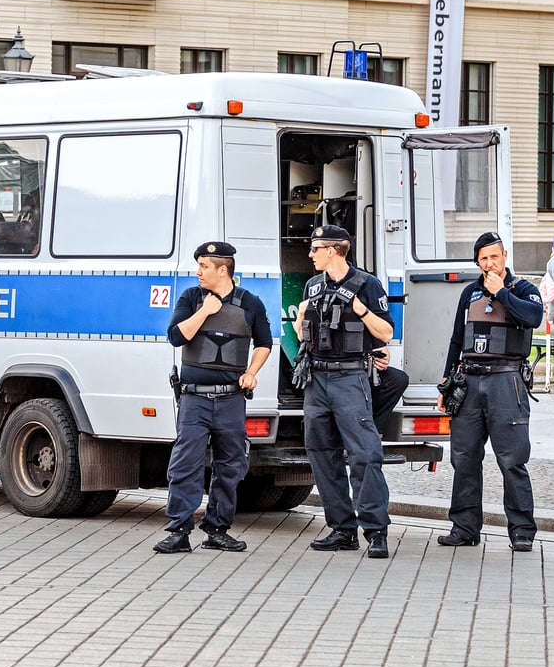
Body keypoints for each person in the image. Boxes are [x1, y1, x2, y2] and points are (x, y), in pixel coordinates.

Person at [154, 241, 273, 554]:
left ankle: (217, 529)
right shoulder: (191, 298)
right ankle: (178, 531)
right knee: (185, 465)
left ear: (223, 269)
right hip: (194, 399)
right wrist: (205, 311)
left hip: (231, 399)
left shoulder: (250, 302)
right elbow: (176, 336)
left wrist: (252, 371)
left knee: (231, 465)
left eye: (204, 266)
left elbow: (264, 343)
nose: (198, 272)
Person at [436, 232, 544, 551]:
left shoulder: (522, 289)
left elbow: (534, 317)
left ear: (504, 256)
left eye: (494, 257)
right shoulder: (469, 293)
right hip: (468, 382)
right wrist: (446, 383)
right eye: (483, 258)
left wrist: (502, 294)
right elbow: (457, 339)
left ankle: (522, 530)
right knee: (464, 457)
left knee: (512, 459)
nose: (489, 263)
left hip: (506, 381)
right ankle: (464, 527)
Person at [294, 224, 395, 559]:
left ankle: (376, 530)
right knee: (321, 454)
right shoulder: (312, 285)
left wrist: (359, 308)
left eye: (315, 249)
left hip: (351, 378)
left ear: (334, 250)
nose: (310, 255)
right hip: (316, 379)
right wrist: (301, 320)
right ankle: (342, 529)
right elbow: (301, 331)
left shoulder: (367, 284)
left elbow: (385, 332)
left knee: (365, 454)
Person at [370, 346, 410, 439]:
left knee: (399, 379)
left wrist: (380, 360)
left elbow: (383, 351)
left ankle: (373, 431)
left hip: (363, 370)